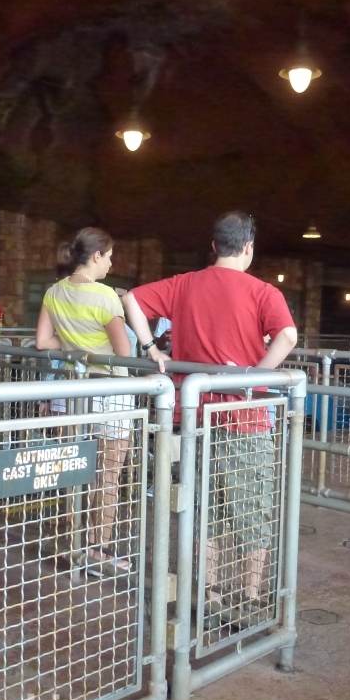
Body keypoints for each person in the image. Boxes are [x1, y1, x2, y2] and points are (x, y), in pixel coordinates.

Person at [122, 211, 297, 624]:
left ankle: (210, 591)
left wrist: (152, 350)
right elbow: (287, 336)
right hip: (245, 416)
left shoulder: (184, 284)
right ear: (249, 248)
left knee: (206, 507)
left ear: (215, 246)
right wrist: (254, 378)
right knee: (253, 508)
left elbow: (130, 298)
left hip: (195, 417)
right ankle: (250, 598)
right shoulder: (263, 291)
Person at [36, 228, 133, 575]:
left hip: (70, 392)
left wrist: (75, 348)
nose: (111, 261)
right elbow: (124, 352)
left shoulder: (54, 291)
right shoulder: (105, 295)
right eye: (109, 255)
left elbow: (43, 341)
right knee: (107, 476)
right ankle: (97, 550)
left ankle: (70, 543)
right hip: (109, 393)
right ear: (95, 256)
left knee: (71, 469)